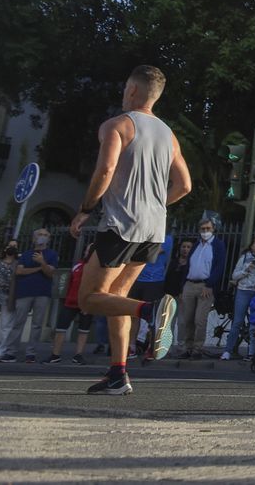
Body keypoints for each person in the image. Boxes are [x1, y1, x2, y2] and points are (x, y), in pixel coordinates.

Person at [70, 65, 189, 395]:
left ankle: (150, 311)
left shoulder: (117, 125)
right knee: (115, 298)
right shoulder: (168, 134)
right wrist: (154, 204)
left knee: (90, 300)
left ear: (133, 90)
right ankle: (118, 374)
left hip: (121, 224)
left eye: (125, 88)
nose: (123, 93)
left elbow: (106, 169)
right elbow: (184, 185)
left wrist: (85, 210)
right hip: (154, 228)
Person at [0, 228, 56, 363]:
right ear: (34, 238)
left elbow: (50, 273)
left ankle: (31, 353)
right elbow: (19, 271)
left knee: (37, 324)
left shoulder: (52, 254)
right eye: (40, 234)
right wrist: (38, 268)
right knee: (18, 322)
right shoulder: (26, 254)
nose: (43, 237)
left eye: (46, 235)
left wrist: (42, 262)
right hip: (24, 292)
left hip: (42, 293)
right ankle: (11, 352)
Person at [174, 217, 223, 359]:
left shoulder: (218, 245)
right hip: (189, 284)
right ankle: (187, 347)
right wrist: (183, 286)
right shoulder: (196, 245)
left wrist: (210, 285)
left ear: (213, 229)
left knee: (199, 320)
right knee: (187, 319)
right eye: (203, 229)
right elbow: (188, 265)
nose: (205, 231)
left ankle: (198, 348)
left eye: (208, 229)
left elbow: (219, 266)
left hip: (205, 285)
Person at [222, 235, 255, 360]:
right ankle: (228, 350)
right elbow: (234, 276)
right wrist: (246, 270)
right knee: (237, 321)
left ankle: (254, 352)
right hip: (244, 291)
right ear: (252, 245)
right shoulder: (244, 258)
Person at [48, 254, 93, 365]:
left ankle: (78, 355)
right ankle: (55, 355)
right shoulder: (77, 265)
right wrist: (63, 297)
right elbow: (67, 281)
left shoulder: (97, 268)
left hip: (86, 304)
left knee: (83, 330)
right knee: (61, 328)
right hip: (70, 302)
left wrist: (88, 304)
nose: (88, 252)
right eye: (87, 250)